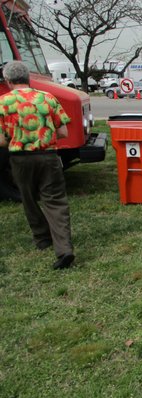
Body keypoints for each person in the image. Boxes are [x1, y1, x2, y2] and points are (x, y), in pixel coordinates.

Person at [0, 61, 75, 269]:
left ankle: (42, 238)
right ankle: (64, 249)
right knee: (56, 201)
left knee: (29, 198)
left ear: (8, 80)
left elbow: (1, 142)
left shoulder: (3, 103)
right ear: (28, 77)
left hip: (20, 159)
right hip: (48, 156)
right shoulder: (47, 98)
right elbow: (63, 133)